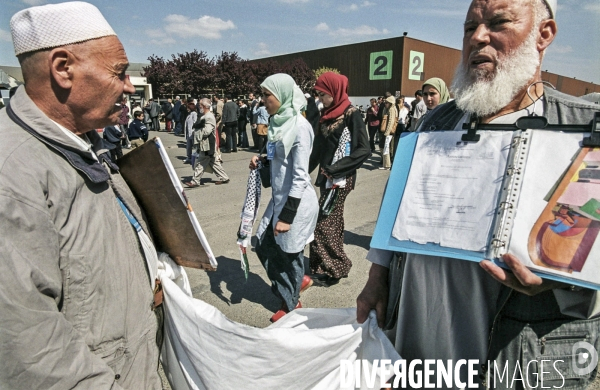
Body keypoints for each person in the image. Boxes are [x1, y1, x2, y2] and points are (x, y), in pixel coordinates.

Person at [356, 0, 600, 388]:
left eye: (498, 22)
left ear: (544, 34)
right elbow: (396, 203)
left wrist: (558, 279)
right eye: (470, 27)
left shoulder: (583, 129)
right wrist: (377, 274)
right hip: (419, 340)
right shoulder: (438, 120)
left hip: (511, 355)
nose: (478, 38)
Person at [0, 2, 162, 388]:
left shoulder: (84, 141)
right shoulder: (12, 175)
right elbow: (33, 353)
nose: (128, 86)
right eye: (119, 72)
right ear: (62, 68)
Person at [249, 73, 318, 322]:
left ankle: (291, 305)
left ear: (283, 95)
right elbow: (275, 154)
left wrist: (287, 217)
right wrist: (261, 159)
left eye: (268, 95)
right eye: (263, 94)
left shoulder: (300, 128)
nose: (263, 99)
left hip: (295, 204)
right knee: (263, 244)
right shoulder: (278, 122)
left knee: (290, 255)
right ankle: (295, 284)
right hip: (279, 198)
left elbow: (300, 176)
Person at [308, 72, 370, 286]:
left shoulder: (352, 114)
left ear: (335, 92)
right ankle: (321, 267)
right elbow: (317, 149)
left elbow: (364, 149)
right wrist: (302, 170)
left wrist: (335, 169)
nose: (320, 99)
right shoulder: (325, 115)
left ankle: (337, 267)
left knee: (324, 223)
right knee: (331, 222)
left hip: (340, 179)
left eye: (323, 94)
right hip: (326, 178)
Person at [184, 98, 229, 187]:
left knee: (200, 163)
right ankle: (224, 177)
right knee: (213, 162)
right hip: (207, 144)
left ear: (204, 106)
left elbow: (207, 131)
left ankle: (195, 181)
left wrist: (195, 132)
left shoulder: (208, 116)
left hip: (207, 144)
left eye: (200, 105)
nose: (199, 107)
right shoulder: (206, 116)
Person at [379, 96, 397, 170]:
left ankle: (387, 165)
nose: (385, 104)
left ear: (390, 103)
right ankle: (386, 164)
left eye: (386, 103)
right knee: (384, 147)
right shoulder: (387, 109)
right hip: (387, 131)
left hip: (389, 132)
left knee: (385, 147)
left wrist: (387, 132)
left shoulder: (392, 109)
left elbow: (391, 122)